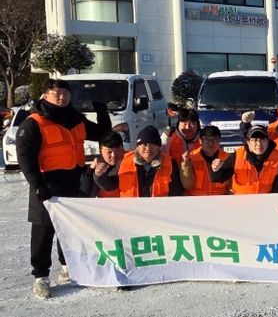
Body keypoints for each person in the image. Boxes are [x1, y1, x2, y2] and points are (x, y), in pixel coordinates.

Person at [16, 78, 111, 299]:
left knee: (70, 227)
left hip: (74, 180)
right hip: (47, 182)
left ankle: (68, 265)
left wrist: (102, 112)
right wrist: (37, 185)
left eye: (65, 93)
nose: (62, 97)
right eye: (56, 93)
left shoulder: (75, 119)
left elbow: (102, 134)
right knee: (43, 230)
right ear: (45, 95)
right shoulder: (34, 122)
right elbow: (25, 158)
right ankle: (40, 276)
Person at [95, 126, 187, 197]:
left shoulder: (170, 163)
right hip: (130, 212)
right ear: (137, 146)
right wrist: (99, 175)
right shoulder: (123, 160)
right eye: (144, 144)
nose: (148, 148)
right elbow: (110, 185)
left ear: (159, 147)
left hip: (159, 212)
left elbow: (176, 193)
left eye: (153, 144)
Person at [210, 125, 278, 194]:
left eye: (262, 139)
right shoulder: (238, 155)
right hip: (241, 199)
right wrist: (216, 170)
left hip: (267, 198)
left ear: (267, 141)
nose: (259, 143)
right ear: (248, 143)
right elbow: (218, 178)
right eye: (254, 140)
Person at [180, 125, 230, 196]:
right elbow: (187, 185)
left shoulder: (227, 158)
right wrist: (185, 163)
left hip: (220, 197)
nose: (211, 143)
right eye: (207, 140)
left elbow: (231, 185)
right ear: (200, 141)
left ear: (219, 140)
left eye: (214, 140)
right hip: (196, 198)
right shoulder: (191, 158)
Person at [80, 131, 126, 198]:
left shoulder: (131, 161)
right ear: (100, 152)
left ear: (122, 148)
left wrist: (99, 176)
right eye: (109, 152)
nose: (113, 155)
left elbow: (112, 185)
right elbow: (85, 196)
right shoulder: (98, 167)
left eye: (117, 151)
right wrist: (90, 171)